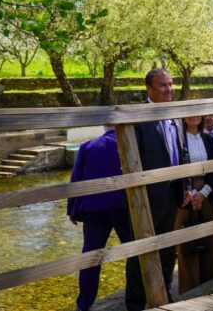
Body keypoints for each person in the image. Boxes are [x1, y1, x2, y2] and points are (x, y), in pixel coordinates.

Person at [125, 68, 185, 310]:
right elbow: (129, 160)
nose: (169, 89)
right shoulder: (138, 119)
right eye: (163, 85)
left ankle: (164, 297)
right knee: (140, 254)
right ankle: (137, 304)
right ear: (148, 89)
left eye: (171, 84)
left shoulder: (176, 116)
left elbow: (181, 154)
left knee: (168, 251)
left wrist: (186, 186)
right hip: (145, 198)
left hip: (172, 196)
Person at [67, 129, 131, 311]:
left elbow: (76, 178)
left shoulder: (88, 146)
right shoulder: (130, 144)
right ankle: (136, 296)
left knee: (90, 257)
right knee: (134, 251)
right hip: (123, 207)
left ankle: (84, 304)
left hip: (94, 208)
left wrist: (72, 209)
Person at [174, 116, 213, 294]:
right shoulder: (177, 139)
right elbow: (176, 166)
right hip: (185, 192)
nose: (194, 117)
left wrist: (203, 193)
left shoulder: (208, 138)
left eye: (198, 113)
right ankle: (190, 290)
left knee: (209, 239)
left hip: (208, 192)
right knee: (186, 240)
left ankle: (210, 286)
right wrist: (191, 192)